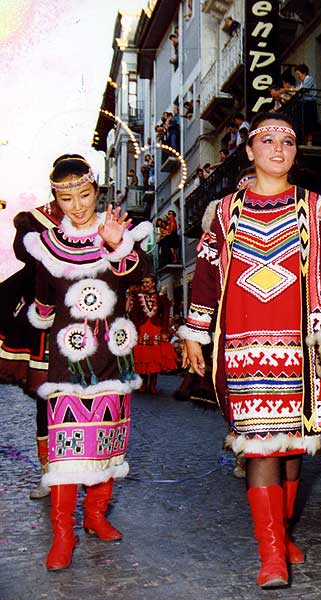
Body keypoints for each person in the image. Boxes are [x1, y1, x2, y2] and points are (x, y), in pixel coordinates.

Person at [179, 111, 321, 589]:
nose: (279, 148)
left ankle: (281, 537)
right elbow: (205, 276)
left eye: (288, 140)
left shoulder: (315, 206)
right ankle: (271, 555)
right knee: (262, 446)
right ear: (250, 151)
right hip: (244, 345)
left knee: (291, 450)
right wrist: (194, 333)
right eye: (268, 141)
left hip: (305, 346)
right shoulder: (223, 214)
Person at [24, 154, 152, 570]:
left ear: (96, 191)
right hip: (68, 360)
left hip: (113, 357)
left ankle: (96, 515)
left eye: (84, 194)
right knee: (65, 452)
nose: (77, 205)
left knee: (107, 441)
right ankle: (63, 533)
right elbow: (43, 300)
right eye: (66, 198)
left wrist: (117, 244)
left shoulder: (116, 231)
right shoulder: (47, 246)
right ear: (55, 200)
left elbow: (139, 272)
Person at [0, 197, 63, 500]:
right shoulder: (37, 219)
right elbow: (21, 252)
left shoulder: (93, 220)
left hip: (82, 320)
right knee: (45, 403)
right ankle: (48, 473)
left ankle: (88, 480)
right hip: (44, 320)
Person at [128, 274, 177, 394]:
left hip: (156, 328)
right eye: (144, 282)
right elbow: (133, 314)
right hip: (143, 329)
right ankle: (143, 384)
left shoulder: (161, 298)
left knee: (155, 357)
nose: (145, 284)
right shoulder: (138, 297)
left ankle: (153, 385)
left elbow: (165, 315)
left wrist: (165, 330)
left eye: (147, 282)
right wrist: (136, 327)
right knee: (143, 357)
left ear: (153, 283)